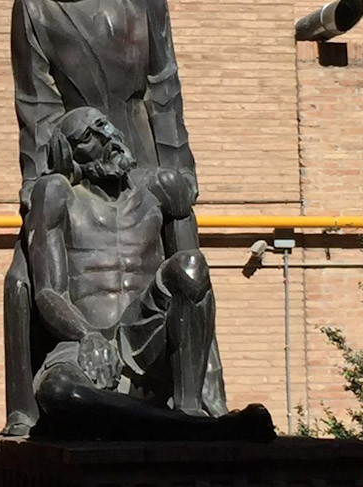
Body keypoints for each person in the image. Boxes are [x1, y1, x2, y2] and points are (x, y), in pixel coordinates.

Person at [3, 0, 225, 435]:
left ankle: (203, 402)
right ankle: (28, 407)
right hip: (73, 155)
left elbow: (163, 83)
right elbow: (36, 101)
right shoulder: (34, 6)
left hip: (144, 152)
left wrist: (177, 167)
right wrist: (43, 178)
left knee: (186, 257)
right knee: (27, 274)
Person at [26, 108, 273, 440]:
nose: (106, 138)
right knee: (60, 394)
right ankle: (200, 431)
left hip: (146, 335)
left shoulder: (161, 189)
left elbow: (195, 284)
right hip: (84, 340)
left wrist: (213, 389)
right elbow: (48, 293)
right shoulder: (57, 193)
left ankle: (189, 411)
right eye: (88, 138)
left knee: (189, 265)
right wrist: (88, 337)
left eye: (104, 125)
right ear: (71, 157)